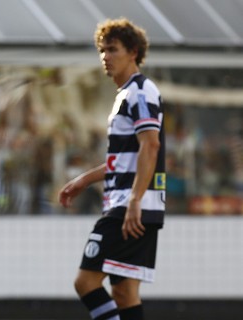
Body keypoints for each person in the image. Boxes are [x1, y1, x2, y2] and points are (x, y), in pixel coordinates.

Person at [58, 18, 165, 320]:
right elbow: (125, 158)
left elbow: (150, 146)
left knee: (85, 282)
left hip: (129, 207)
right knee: (124, 292)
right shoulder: (126, 95)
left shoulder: (141, 92)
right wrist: (83, 180)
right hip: (134, 204)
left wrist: (133, 201)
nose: (105, 57)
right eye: (102, 51)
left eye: (113, 49)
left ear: (133, 52)